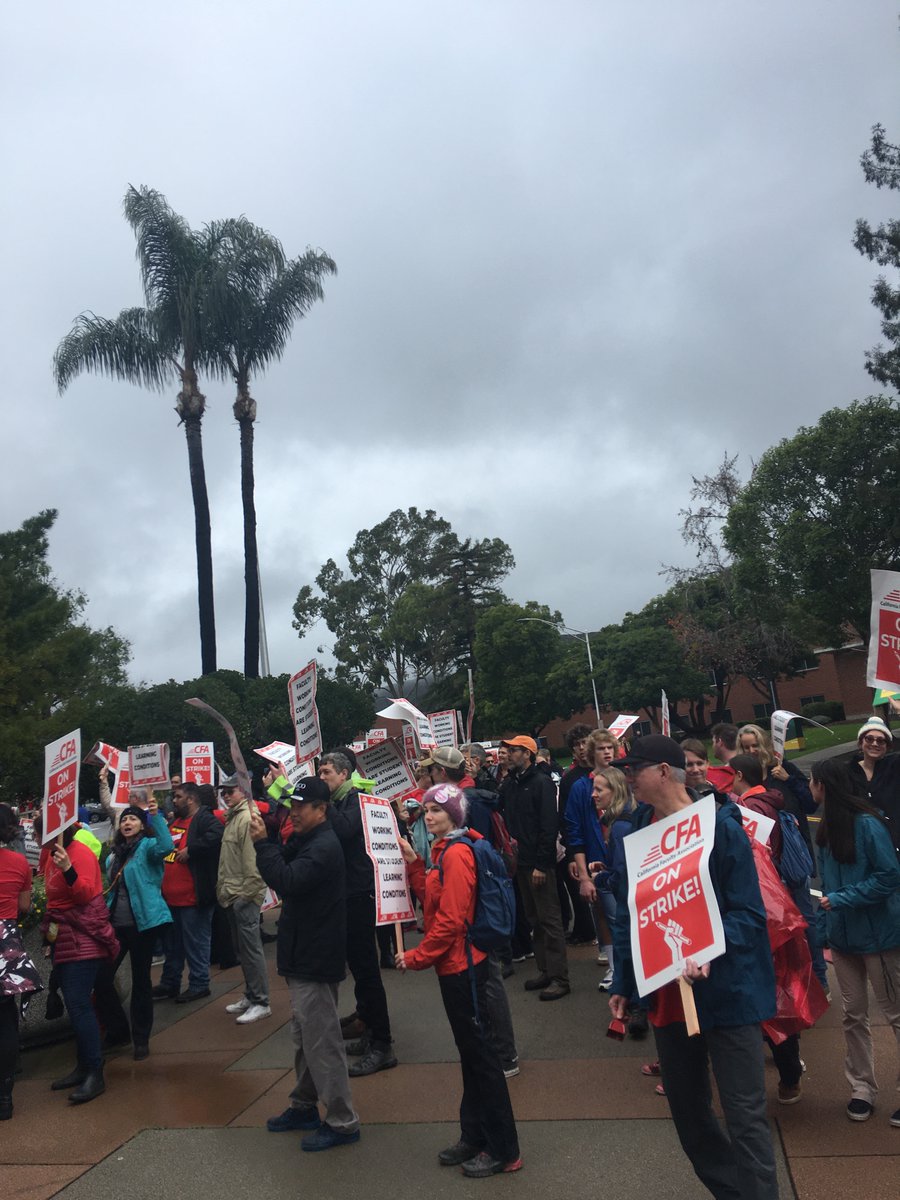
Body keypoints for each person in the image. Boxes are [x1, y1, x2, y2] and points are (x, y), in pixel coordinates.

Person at [609, 735, 779, 1200]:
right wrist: (625, 980)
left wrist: (708, 948)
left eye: (635, 768)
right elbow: (631, 913)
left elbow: (749, 914)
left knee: (745, 1117)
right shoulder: (637, 830)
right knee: (689, 1116)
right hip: (668, 997)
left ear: (664, 771)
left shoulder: (721, 826)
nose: (626, 776)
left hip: (728, 994)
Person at [396, 783, 521, 1177]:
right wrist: (415, 864)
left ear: (454, 815)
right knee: (472, 1055)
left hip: (464, 967)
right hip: (455, 965)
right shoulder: (443, 851)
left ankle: (505, 1149)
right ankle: (475, 1135)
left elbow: (450, 922)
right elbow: (434, 903)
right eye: (427, 810)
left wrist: (416, 957)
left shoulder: (457, 853)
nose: (428, 815)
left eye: (437, 810)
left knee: (482, 1060)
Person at [251, 776, 362, 1151]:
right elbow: (283, 865)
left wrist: (262, 844)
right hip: (304, 952)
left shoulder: (325, 846)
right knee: (305, 1037)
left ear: (322, 809)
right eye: (291, 805)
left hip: (315, 954)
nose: (293, 812)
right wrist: (269, 837)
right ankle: (303, 1104)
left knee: (322, 1040)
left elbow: (287, 879)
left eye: (301, 806)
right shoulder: (309, 839)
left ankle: (343, 1121)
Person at [811, 758, 900, 1126]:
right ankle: (862, 1088)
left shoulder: (867, 823)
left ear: (824, 786)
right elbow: (826, 889)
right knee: (853, 1016)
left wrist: (843, 899)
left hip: (879, 937)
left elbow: (888, 876)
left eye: (813, 782)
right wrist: (822, 930)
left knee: (895, 1014)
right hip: (843, 939)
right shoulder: (827, 828)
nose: (809, 789)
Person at [319, 750, 396, 1074]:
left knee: (367, 971)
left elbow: (345, 831)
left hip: (360, 894)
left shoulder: (357, 801)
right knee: (360, 969)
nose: (321, 778)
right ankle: (368, 1026)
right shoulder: (342, 802)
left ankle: (383, 1044)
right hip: (346, 894)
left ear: (344, 774)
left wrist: (323, 804)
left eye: (326, 772)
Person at [44, 823, 119, 1104]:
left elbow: (86, 894)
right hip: (63, 938)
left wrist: (68, 869)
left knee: (79, 1004)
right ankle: (84, 1066)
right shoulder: (51, 853)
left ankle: (95, 1073)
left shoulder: (80, 853)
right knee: (76, 1006)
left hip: (82, 940)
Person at [94, 799, 173, 1059]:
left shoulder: (149, 847)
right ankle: (118, 1031)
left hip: (143, 924)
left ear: (142, 825)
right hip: (116, 925)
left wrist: (155, 815)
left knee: (141, 982)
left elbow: (166, 846)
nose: (127, 822)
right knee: (102, 978)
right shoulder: (115, 855)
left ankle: (141, 1038)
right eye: (124, 819)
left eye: (133, 819)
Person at [501, 735, 569, 1000]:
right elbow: (497, 802)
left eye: (514, 750)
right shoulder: (512, 784)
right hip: (522, 862)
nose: (508, 754)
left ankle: (560, 978)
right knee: (535, 919)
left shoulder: (540, 783)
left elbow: (548, 826)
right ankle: (545, 970)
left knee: (550, 920)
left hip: (539, 864)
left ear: (527, 754)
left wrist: (542, 863)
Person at [154, 780, 224, 1003]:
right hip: (172, 898)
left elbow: (217, 835)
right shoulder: (175, 820)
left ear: (191, 799)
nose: (173, 801)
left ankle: (199, 984)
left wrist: (192, 850)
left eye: (178, 797)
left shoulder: (203, 819)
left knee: (196, 943)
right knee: (173, 946)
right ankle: (170, 982)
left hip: (194, 897)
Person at [216, 775, 271, 1024]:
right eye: (223, 792)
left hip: (243, 895)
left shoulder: (246, 817)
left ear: (243, 791)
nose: (226, 795)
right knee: (243, 950)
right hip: (233, 893)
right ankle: (252, 995)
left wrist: (247, 895)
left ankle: (261, 1001)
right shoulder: (235, 817)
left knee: (251, 950)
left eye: (230, 791)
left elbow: (252, 863)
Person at [0, 804, 41, 1120]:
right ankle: (5, 1095)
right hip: (7, 943)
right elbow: (25, 907)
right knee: (6, 1020)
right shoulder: (18, 863)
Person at [845, 713, 900, 855]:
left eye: (881, 741)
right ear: (860, 743)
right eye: (869, 739)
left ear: (887, 746)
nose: (875, 743)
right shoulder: (847, 772)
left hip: (892, 845)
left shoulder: (894, 766)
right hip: (861, 847)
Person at [708, 723, 739, 792]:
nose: (713, 746)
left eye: (713, 742)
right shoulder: (748, 764)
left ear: (719, 742)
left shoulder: (724, 774)